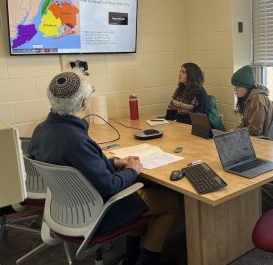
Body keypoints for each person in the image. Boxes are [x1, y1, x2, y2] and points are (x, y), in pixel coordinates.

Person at [29, 70, 181, 265]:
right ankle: (145, 260)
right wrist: (132, 170)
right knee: (171, 201)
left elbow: (78, 168)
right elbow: (110, 186)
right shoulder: (77, 140)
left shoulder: (41, 131)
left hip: (66, 210)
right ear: (85, 102)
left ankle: (131, 255)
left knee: (135, 185)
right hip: (98, 213)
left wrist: (115, 163)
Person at [231, 65, 273, 136]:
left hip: (257, 140)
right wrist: (232, 131)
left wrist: (235, 133)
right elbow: (245, 123)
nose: (234, 90)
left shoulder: (257, 99)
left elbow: (255, 131)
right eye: (234, 87)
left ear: (247, 86)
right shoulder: (250, 98)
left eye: (237, 87)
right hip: (249, 137)